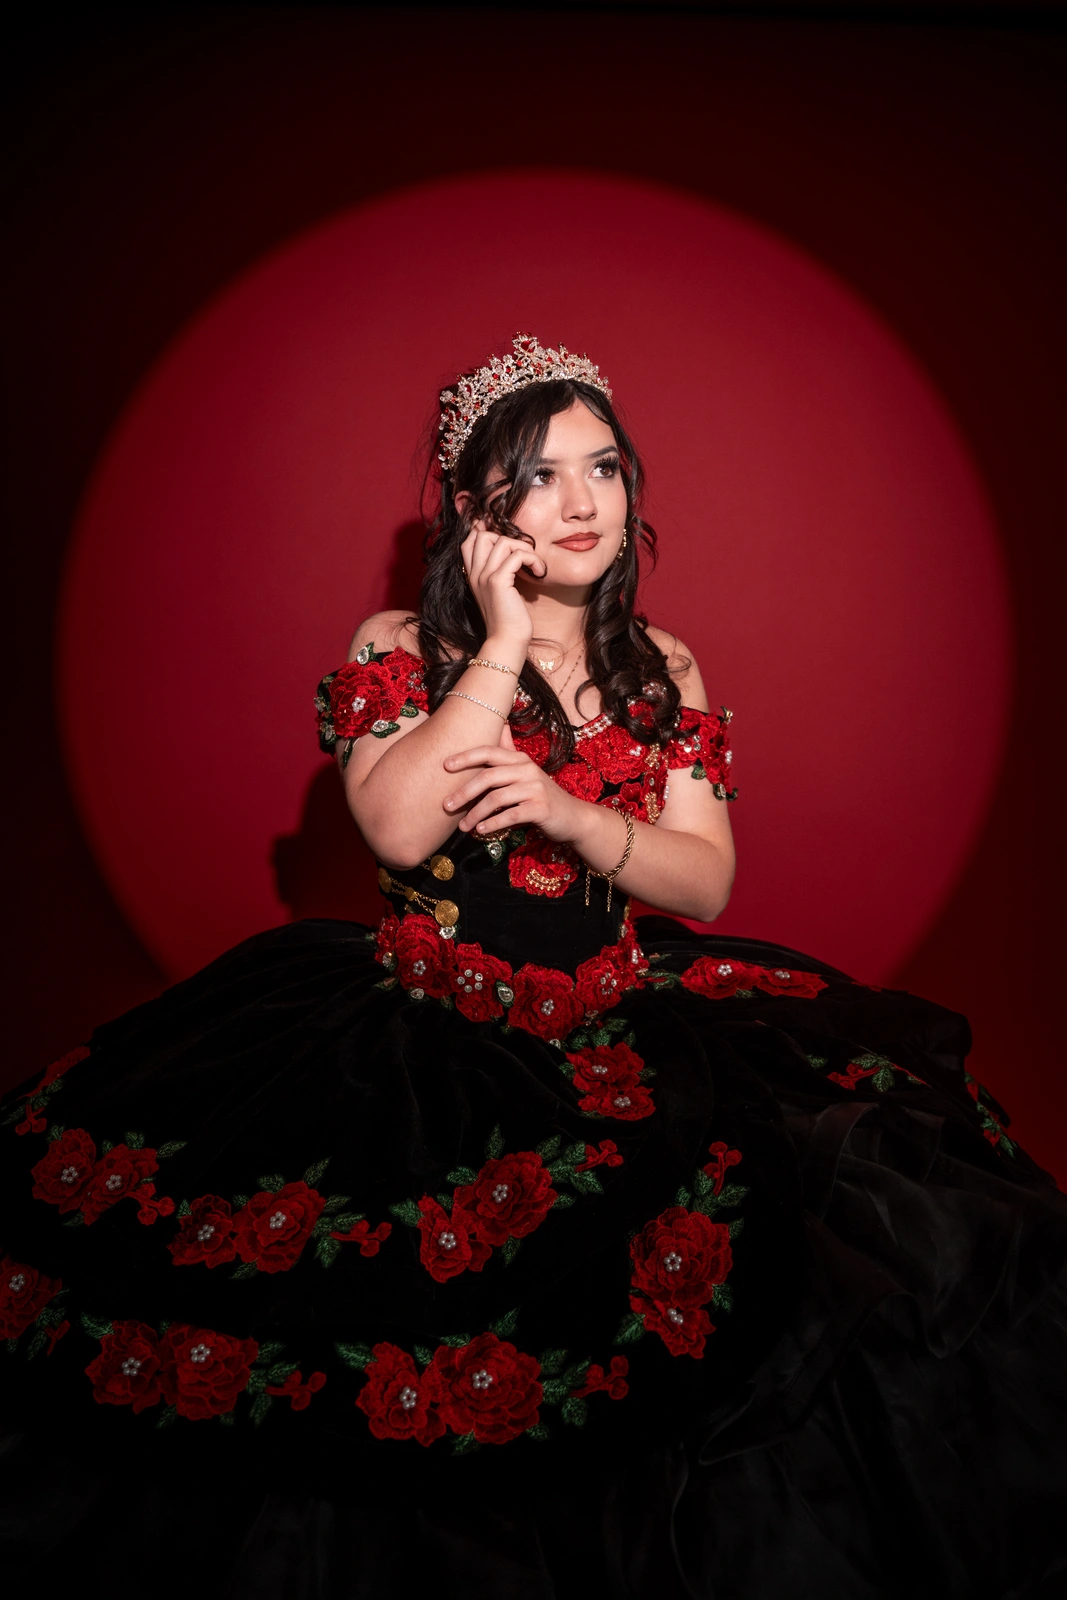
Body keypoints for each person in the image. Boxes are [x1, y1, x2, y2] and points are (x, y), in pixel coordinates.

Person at [1, 333, 1065, 1599]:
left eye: (603, 469)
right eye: (540, 475)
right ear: (473, 509)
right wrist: (499, 643)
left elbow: (703, 879)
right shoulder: (403, 636)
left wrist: (573, 817)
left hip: (621, 1024)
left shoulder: (659, 668)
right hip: (419, 1032)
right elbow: (397, 825)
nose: (579, 504)